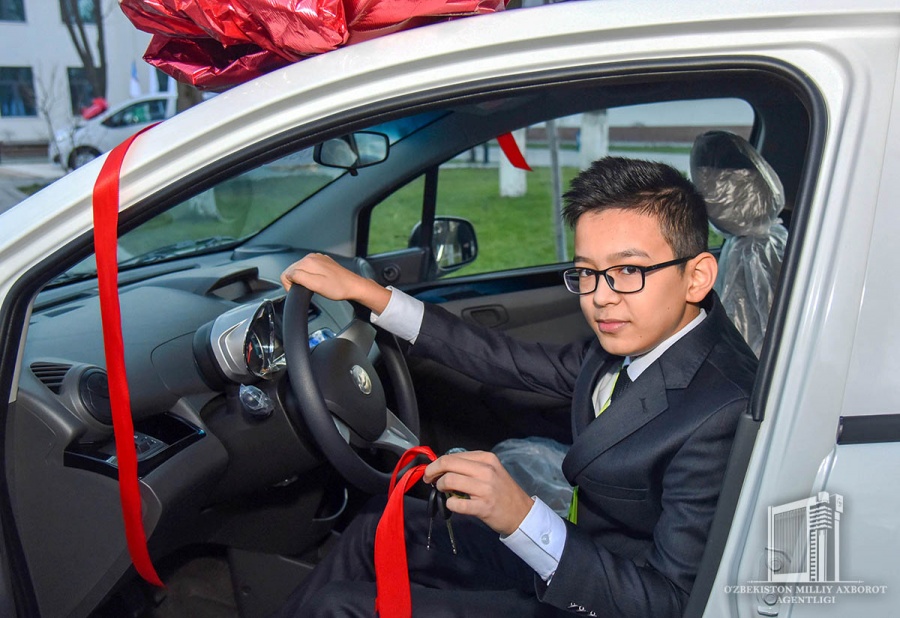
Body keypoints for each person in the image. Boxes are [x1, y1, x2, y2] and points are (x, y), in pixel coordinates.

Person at [276, 157, 758, 617]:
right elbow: (506, 361)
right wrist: (371, 295)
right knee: (378, 524)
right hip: (571, 550)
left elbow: (670, 605)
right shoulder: (643, 338)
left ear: (696, 277)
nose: (600, 297)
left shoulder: (718, 412)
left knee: (335, 608)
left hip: (606, 594)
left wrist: (520, 517)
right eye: (587, 272)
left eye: (628, 271)